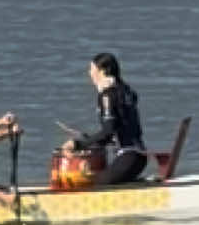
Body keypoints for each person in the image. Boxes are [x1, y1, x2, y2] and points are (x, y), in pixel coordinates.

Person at [61, 53, 147, 186]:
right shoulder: (126, 91)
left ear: (102, 71)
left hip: (128, 157)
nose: (89, 73)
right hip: (139, 157)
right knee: (98, 176)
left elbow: (108, 132)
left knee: (91, 184)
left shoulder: (107, 95)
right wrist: (87, 140)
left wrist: (77, 145)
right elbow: (115, 130)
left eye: (91, 69)